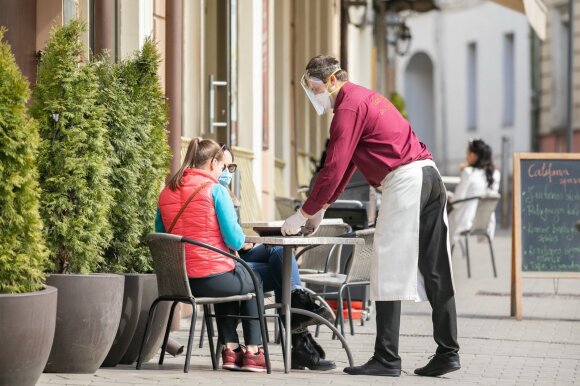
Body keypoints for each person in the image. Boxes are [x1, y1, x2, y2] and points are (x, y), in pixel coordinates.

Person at [282, 55, 460, 377]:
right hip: (430, 175)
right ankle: (448, 352)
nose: (315, 94)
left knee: (387, 267)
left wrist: (303, 212)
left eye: (316, 87)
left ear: (333, 80)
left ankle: (387, 359)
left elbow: (334, 166)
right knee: (436, 268)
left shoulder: (346, 108)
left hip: (404, 181)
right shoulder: (365, 98)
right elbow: (348, 165)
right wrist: (321, 207)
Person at [156, 138, 335, 372]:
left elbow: (162, 236)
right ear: (212, 163)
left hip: (179, 280)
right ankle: (255, 350)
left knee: (270, 261)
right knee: (257, 277)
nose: (224, 173)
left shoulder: (166, 192)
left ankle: (231, 350)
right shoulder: (215, 191)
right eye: (223, 167)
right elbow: (235, 240)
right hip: (214, 278)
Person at [448, 139, 500, 249]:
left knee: (443, 220)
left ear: (473, 155)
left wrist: (449, 197)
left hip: (465, 221)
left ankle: (442, 261)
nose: (466, 156)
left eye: (467, 153)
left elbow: (456, 203)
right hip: (485, 223)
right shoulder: (495, 174)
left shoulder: (468, 173)